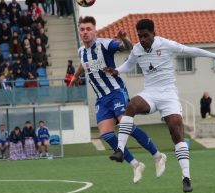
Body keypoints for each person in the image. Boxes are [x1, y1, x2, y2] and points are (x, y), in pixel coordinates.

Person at [104, 19, 215, 192]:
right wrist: (117, 70)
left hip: (169, 95)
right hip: (150, 93)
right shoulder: (137, 49)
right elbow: (129, 64)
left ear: (153, 34)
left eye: (145, 36)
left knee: (175, 130)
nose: (142, 39)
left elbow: (191, 50)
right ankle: (119, 150)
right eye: (139, 36)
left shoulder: (166, 44)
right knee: (131, 105)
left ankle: (186, 177)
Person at [70, 16, 166, 184]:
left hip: (116, 92)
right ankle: (136, 165)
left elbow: (128, 48)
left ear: (95, 31)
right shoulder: (81, 51)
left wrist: (125, 39)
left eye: (88, 29)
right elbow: (82, 65)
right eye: (82, 30)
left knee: (125, 124)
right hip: (101, 99)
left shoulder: (105, 44)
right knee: (106, 134)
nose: (85, 32)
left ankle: (157, 156)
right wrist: (75, 76)